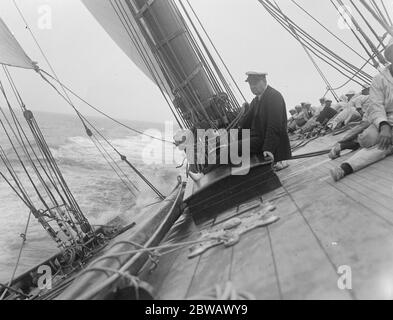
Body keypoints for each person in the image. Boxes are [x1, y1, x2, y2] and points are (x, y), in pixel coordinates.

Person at [330, 38, 393, 181]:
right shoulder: (379, 79)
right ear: (389, 57)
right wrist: (384, 126)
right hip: (383, 119)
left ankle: (346, 167)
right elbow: (376, 106)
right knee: (368, 139)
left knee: (385, 145)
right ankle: (347, 144)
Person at [239, 71, 291, 163]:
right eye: (250, 84)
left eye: (255, 83)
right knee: (224, 149)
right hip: (256, 140)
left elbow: (274, 125)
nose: (252, 86)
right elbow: (245, 126)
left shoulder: (274, 96)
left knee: (229, 151)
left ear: (264, 81)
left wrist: (269, 149)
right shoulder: (255, 101)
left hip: (265, 143)